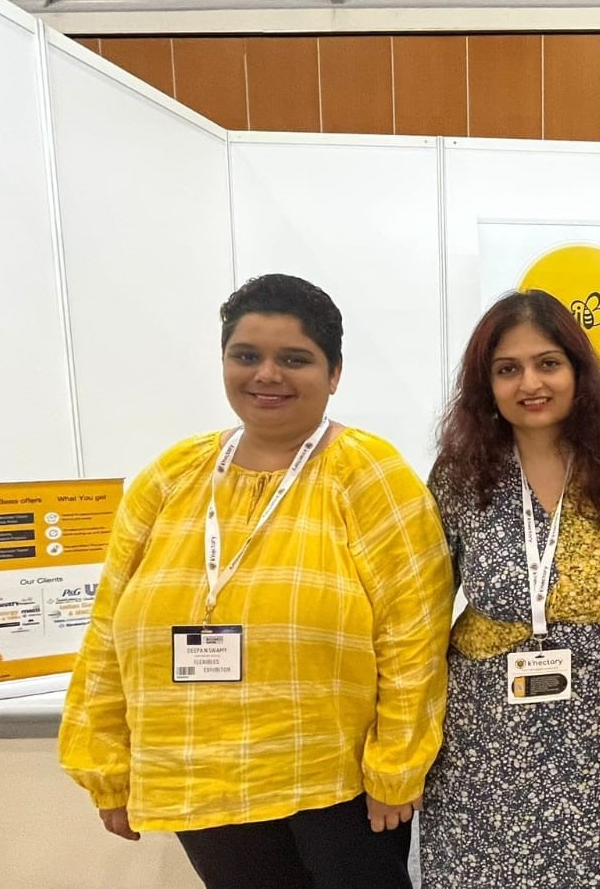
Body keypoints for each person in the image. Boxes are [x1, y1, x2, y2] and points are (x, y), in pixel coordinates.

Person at [58, 273, 453, 889]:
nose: (267, 375)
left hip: (335, 782)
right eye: (246, 356)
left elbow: (414, 634)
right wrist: (105, 764)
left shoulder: (368, 474)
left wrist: (396, 767)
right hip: (198, 776)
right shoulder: (172, 476)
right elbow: (108, 631)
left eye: (294, 359)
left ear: (334, 373)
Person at [420, 289, 600, 888]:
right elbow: (422, 608)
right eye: (508, 369)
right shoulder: (460, 474)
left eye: (548, 363)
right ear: (486, 385)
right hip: (485, 729)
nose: (530, 383)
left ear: (578, 372)